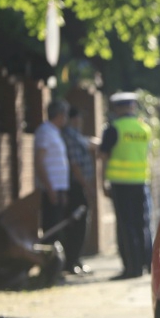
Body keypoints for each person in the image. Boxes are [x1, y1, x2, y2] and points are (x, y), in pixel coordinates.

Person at [98, 92, 153, 280]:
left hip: (120, 184)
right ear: (133, 107)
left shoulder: (113, 129)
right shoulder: (144, 128)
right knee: (142, 224)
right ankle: (148, 264)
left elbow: (103, 157)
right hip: (142, 182)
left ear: (118, 108)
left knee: (125, 226)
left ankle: (132, 268)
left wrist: (102, 182)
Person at [61, 106, 96, 275]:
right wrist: (87, 185)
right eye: (79, 118)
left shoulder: (76, 136)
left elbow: (89, 143)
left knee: (81, 224)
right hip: (76, 187)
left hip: (79, 185)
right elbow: (75, 166)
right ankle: (71, 261)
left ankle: (76, 259)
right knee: (77, 225)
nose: (81, 121)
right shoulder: (70, 137)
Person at [34, 99, 70, 245]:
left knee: (58, 226)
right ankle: (49, 263)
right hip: (51, 188)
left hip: (59, 188)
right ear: (60, 115)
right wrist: (50, 188)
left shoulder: (55, 132)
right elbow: (39, 162)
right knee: (51, 227)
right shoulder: (45, 132)